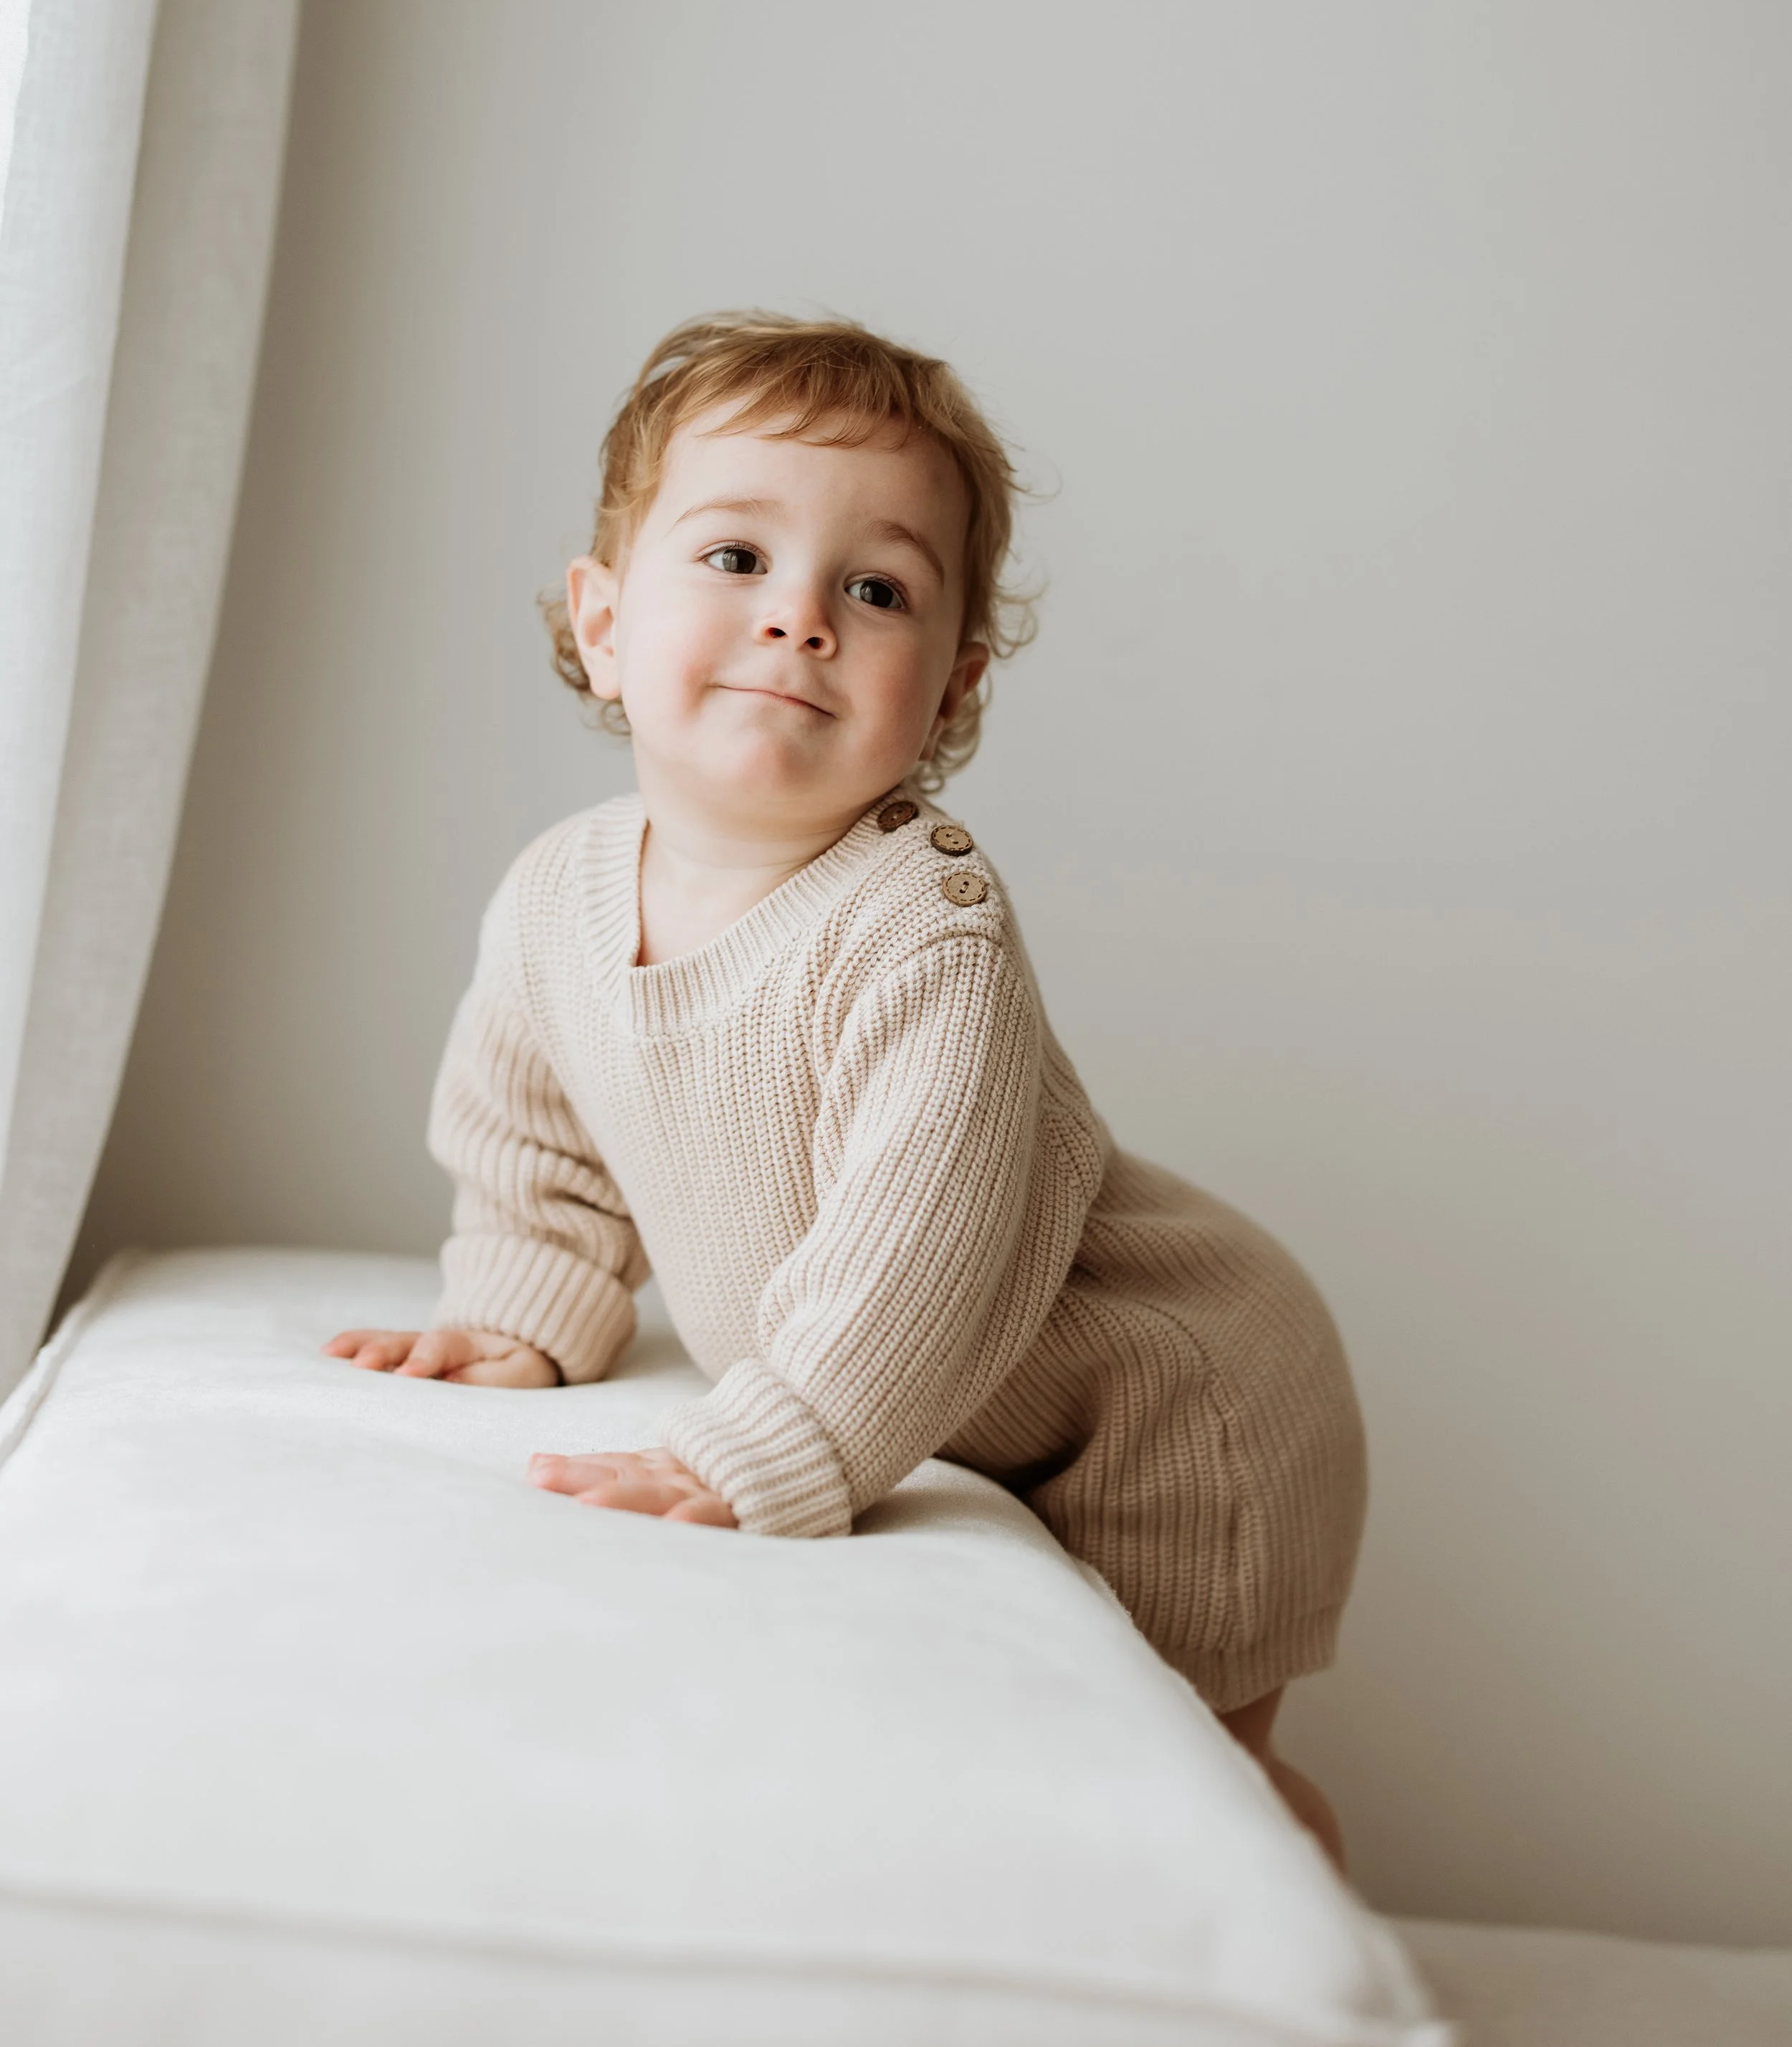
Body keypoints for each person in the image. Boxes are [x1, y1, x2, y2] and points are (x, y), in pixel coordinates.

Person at [324, 310, 1366, 1865]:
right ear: (601, 620)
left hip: (1167, 1392)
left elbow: (923, 1245)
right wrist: (525, 1301)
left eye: (871, 589)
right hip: (972, 1379)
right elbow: (536, 1135)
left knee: (1187, 1792)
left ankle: (1287, 1957)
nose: (797, 616)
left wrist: (775, 1444)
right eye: (735, 557)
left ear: (946, 694)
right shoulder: (556, 896)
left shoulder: (922, 923)